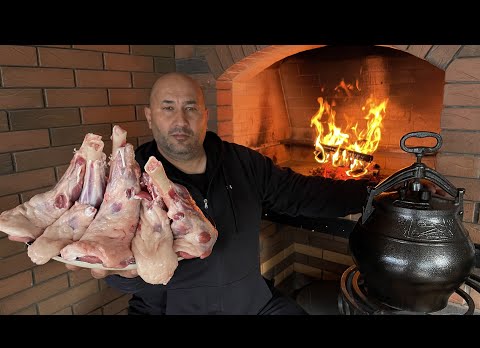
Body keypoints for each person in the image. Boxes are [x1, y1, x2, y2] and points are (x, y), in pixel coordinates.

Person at [65, 72, 441, 315]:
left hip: (251, 303)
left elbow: (301, 192)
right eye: (168, 108)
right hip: (169, 308)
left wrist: (375, 194)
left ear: (206, 115)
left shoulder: (242, 163)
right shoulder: (126, 176)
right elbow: (113, 261)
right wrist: (116, 270)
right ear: (149, 116)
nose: (180, 120)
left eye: (191, 108)